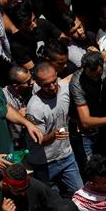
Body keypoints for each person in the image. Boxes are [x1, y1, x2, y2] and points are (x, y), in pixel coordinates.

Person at [25, 62, 83, 197]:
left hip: (67, 156)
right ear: (38, 83)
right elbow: (40, 141)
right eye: (46, 84)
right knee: (52, 199)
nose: (52, 87)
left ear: (56, 76)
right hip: (45, 163)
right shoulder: (34, 108)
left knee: (80, 193)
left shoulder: (64, 89)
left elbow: (74, 76)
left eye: (53, 81)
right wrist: (54, 135)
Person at [69, 51, 106, 167]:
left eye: (98, 75)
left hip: (105, 126)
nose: (94, 79)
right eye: (90, 76)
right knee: (91, 166)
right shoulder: (77, 83)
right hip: (87, 133)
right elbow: (86, 121)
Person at [7, 4, 63, 70]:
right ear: (18, 26)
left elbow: (63, 39)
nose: (35, 25)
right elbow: (33, 69)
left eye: (34, 20)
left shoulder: (42, 23)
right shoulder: (17, 45)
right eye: (28, 24)